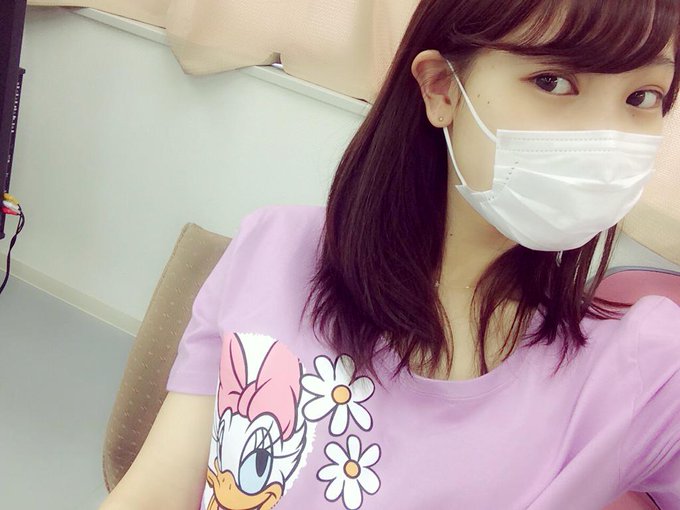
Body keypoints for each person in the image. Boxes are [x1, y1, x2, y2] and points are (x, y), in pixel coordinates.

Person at [99, 0, 680, 509]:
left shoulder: (645, 369)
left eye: (642, 96)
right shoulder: (274, 249)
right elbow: (154, 494)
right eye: (553, 81)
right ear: (442, 89)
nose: (606, 137)